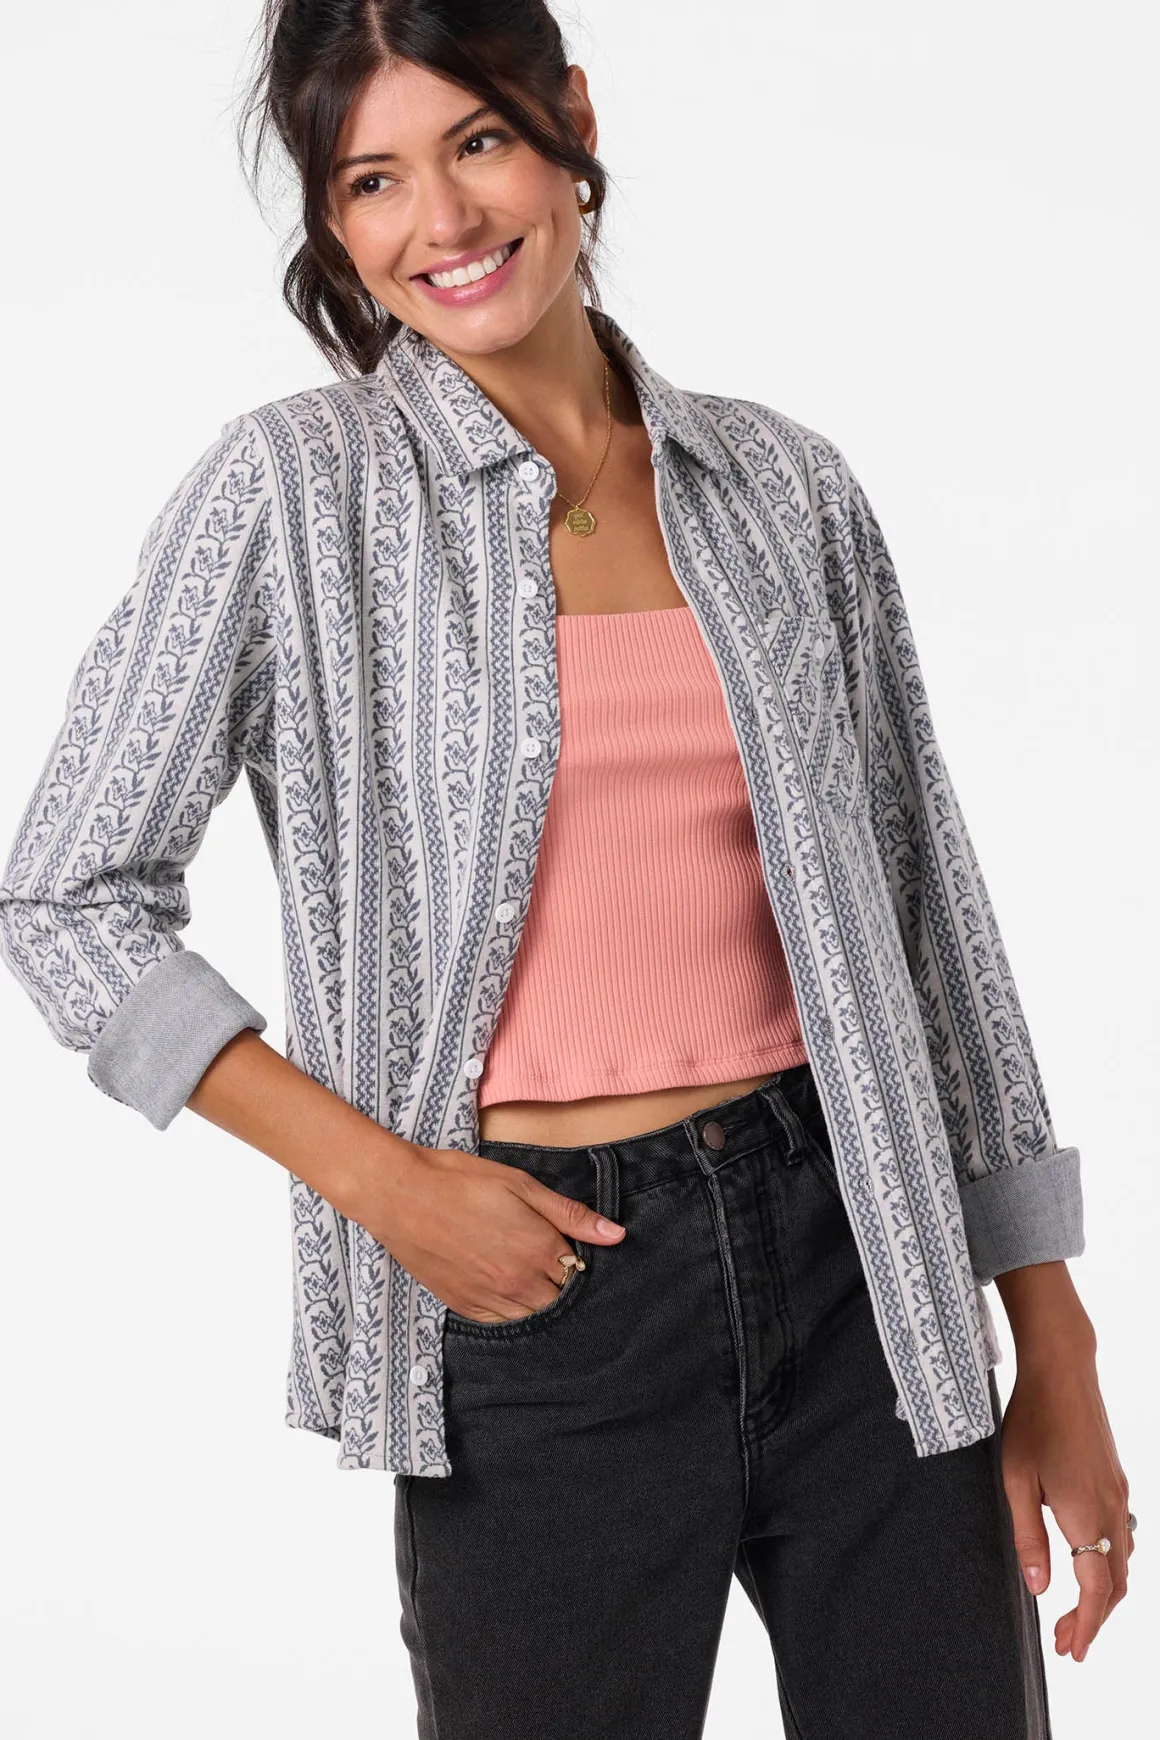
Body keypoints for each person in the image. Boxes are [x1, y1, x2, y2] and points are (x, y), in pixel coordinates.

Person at [0, 2, 1135, 1736]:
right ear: (332, 219)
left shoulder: (783, 486)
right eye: (374, 179)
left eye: (478, 142)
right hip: (538, 1303)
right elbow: (66, 896)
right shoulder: (291, 496)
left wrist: (1050, 1333)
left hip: (869, 1269)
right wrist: (386, 1185)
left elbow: (932, 927)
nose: (443, 221)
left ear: (571, 124)